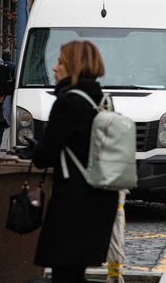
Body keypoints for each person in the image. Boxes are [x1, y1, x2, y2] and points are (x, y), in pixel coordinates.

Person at [32, 41, 117, 282]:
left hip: (73, 201)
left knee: (65, 273)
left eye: (60, 61)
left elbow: (44, 156)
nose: (54, 68)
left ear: (73, 66)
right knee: (75, 272)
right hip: (101, 197)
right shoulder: (103, 100)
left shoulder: (68, 103)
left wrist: (35, 150)